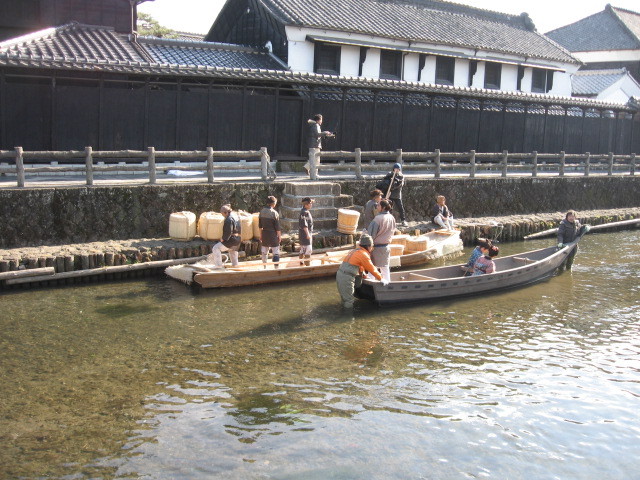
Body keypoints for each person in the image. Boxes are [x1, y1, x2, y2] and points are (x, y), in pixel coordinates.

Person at [336, 234, 384, 308]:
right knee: (349, 301)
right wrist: (381, 278)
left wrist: (364, 276)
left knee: (344, 298)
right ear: (368, 246)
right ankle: (348, 317)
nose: (372, 248)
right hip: (346, 278)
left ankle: (343, 312)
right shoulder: (363, 254)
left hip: (340, 275)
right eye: (372, 246)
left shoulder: (356, 251)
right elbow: (372, 269)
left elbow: (360, 266)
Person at [367, 199, 396, 283]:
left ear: (383, 208)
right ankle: (388, 284)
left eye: (379, 205)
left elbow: (371, 235)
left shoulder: (378, 219)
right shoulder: (392, 217)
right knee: (385, 268)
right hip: (386, 247)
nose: (377, 206)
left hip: (376, 247)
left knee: (372, 268)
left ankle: (370, 284)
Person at [259, 195, 282, 268]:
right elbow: (277, 228)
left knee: (264, 252)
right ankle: (276, 267)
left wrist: (261, 235)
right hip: (273, 234)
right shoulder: (274, 213)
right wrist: (279, 236)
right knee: (275, 252)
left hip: (265, 234)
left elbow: (260, 226)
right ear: (273, 203)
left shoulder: (261, 212)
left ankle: (264, 267)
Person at [298, 197, 314, 266]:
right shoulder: (304, 213)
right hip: (305, 234)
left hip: (304, 233)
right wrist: (308, 234)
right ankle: (307, 265)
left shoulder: (305, 211)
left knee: (303, 249)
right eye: (310, 203)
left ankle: (301, 261)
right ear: (306, 205)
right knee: (308, 249)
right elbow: (304, 225)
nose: (311, 205)